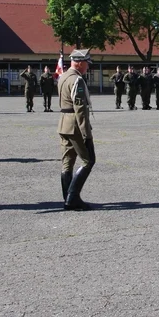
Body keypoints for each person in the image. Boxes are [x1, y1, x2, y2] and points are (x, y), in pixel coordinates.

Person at [58, 49, 95, 211]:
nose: (88, 66)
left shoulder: (63, 77)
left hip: (64, 124)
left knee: (67, 162)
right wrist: (86, 133)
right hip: (75, 126)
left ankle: (67, 197)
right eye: (86, 63)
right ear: (79, 63)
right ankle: (73, 198)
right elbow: (80, 108)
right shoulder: (76, 80)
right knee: (88, 160)